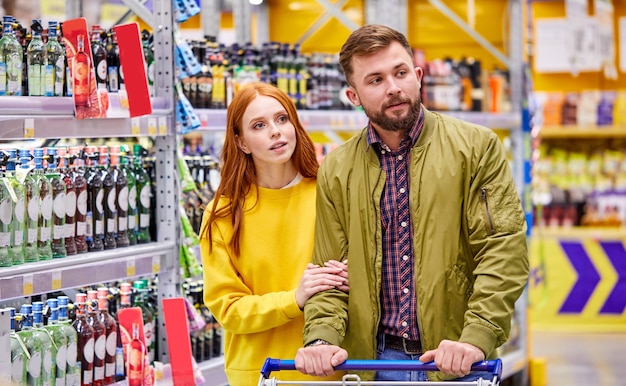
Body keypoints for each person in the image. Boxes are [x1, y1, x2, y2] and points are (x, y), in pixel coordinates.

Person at [295, 24, 529, 382]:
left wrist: (477, 336)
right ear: (353, 95)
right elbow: (331, 273)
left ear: (417, 76)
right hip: (373, 364)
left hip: (458, 360)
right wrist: (321, 338)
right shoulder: (337, 169)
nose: (393, 87)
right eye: (375, 80)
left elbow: (503, 249)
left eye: (400, 72)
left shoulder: (476, 148)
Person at [199, 82, 349, 386]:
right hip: (258, 374)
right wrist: (294, 299)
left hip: (329, 371)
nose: (276, 131)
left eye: (283, 119)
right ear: (241, 142)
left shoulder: (330, 194)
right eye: (259, 125)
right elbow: (227, 308)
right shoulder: (223, 213)